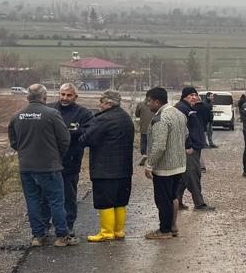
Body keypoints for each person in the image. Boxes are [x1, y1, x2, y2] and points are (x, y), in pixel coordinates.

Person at [8, 84, 73, 247]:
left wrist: (25, 152)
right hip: (49, 166)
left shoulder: (17, 116)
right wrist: (57, 156)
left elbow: (14, 142)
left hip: (26, 166)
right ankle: (62, 235)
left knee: (33, 201)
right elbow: (65, 139)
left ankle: (38, 235)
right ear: (45, 97)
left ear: (27, 97)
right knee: (56, 201)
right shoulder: (52, 114)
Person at [78, 90, 134, 242]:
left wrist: (79, 133)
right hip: (124, 169)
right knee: (120, 201)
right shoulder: (126, 117)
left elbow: (87, 139)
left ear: (108, 103)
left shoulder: (103, 119)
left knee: (105, 201)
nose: (100, 106)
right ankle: (119, 231)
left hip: (105, 169)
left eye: (101, 103)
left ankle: (107, 233)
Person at [141, 86, 188, 239]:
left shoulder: (160, 118)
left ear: (157, 102)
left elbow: (159, 145)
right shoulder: (179, 114)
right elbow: (185, 134)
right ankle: (173, 227)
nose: (147, 104)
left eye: (149, 101)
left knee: (163, 200)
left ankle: (164, 230)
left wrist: (150, 164)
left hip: (164, 167)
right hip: (179, 164)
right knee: (173, 196)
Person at [54, 82, 93, 238]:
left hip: (71, 161)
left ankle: (68, 225)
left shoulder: (83, 113)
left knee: (69, 196)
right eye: (62, 94)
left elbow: (90, 132)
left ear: (75, 96)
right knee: (47, 196)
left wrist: (74, 132)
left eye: (69, 95)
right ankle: (50, 225)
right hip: (49, 160)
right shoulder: (51, 109)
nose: (65, 98)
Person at [174, 86, 214, 210]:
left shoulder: (189, 108)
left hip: (194, 147)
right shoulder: (181, 108)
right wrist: (188, 146)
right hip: (189, 149)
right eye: (191, 95)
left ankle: (177, 201)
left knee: (183, 177)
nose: (194, 97)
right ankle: (199, 204)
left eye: (195, 95)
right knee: (193, 175)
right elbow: (181, 130)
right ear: (184, 96)